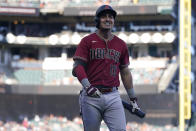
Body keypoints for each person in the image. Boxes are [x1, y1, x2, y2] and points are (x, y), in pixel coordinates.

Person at [72, 5, 140, 131]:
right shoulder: (87, 41)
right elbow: (78, 67)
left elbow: (125, 72)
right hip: (91, 95)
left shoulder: (121, 44)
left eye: (111, 17)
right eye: (104, 16)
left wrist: (132, 98)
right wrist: (88, 86)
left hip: (113, 95)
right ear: (97, 20)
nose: (108, 19)